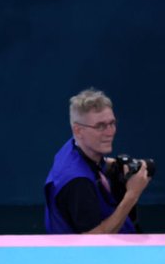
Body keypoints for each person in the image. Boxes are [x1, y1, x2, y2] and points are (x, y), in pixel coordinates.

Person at [44, 89, 151, 234]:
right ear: (78, 130)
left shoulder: (72, 148)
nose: (110, 132)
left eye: (112, 123)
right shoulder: (78, 183)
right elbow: (93, 242)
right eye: (100, 126)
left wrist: (109, 164)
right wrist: (132, 195)